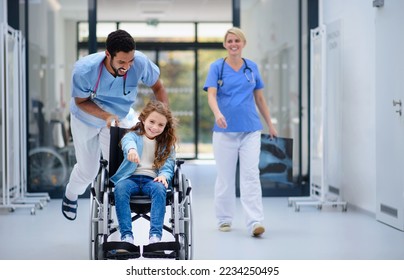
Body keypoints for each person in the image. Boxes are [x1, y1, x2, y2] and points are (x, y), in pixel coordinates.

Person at [62, 29, 168, 221]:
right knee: (88, 171)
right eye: (121, 62)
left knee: (123, 171)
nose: (127, 66)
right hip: (86, 116)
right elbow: (81, 102)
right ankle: (71, 193)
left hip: (119, 115)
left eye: (130, 61)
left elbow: (158, 87)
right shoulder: (84, 71)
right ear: (108, 55)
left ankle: (118, 227)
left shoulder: (140, 62)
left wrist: (164, 116)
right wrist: (106, 116)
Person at [203, 27, 278, 237]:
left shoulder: (251, 67)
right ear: (225, 45)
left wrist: (270, 124)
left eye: (237, 40)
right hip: (224, 131)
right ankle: (224, 219)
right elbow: (211, 95)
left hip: (250, 129)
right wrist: (217, 113)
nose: (233, 44)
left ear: (243, 43)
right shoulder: (217, 67)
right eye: (229, 41)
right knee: (226, 177)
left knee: (251, 176)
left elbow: (260, 99)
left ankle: (255, 222)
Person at [110, 100, 177, 244]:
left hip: (152, 180)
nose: (155, 127)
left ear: (166, 127)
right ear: (143, 119)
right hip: (131, 178)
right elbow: (128, 143)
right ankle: (127, 237)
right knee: (120, 188)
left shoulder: (166, 144)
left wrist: (164, 176)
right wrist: (132, 151)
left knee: (160, 189)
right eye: (152, 121)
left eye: (160, 125)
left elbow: (169, 163)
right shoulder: (132, 136)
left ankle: (155, 237)